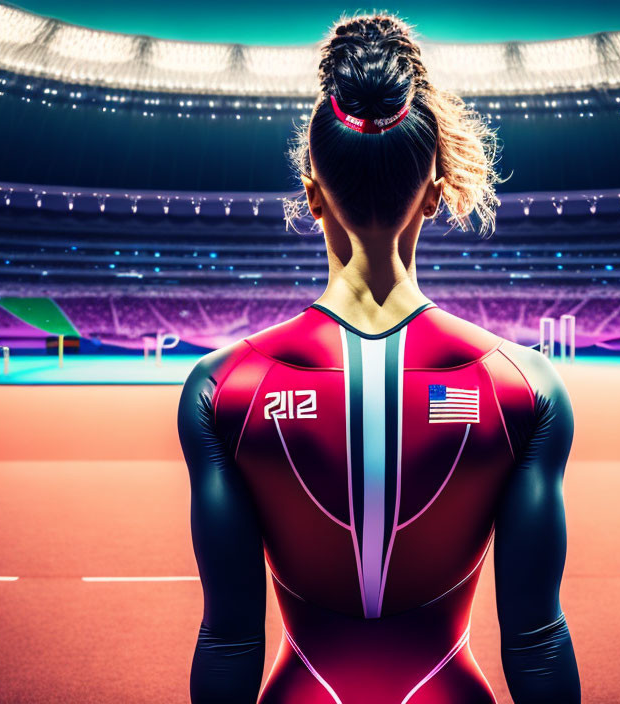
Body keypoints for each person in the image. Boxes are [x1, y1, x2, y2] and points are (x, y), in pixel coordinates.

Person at [178, 13, 580, 703]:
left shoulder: (224, 390)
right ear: (435, 191)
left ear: (310, 191)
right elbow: (537, 641)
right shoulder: (524, 390)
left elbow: (229, 641)